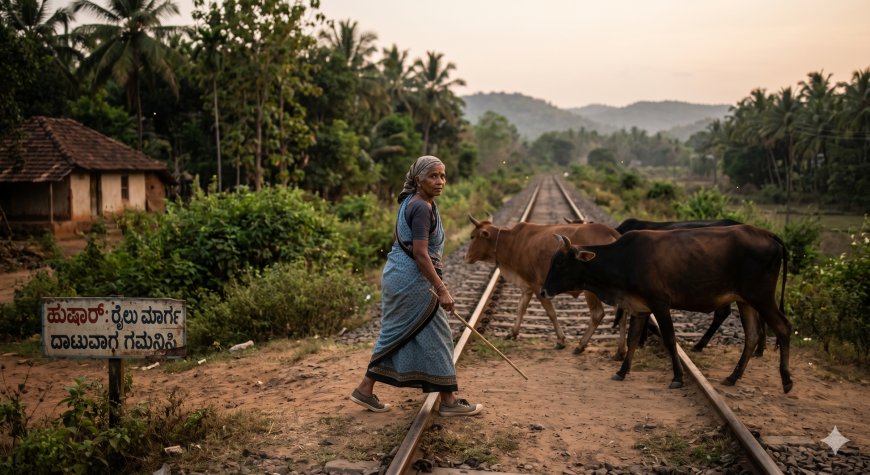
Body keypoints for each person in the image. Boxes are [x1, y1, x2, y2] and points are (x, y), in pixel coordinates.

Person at [350, 155, 483, 417]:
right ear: (418, 178)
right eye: (433, 176)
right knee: (438, 334)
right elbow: (421, 254)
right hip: (413, 281)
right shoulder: (421, 207)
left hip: (399, 276)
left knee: (399, 332)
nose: (440, 181)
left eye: (443, 176)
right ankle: (449, 402)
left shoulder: (411, 201)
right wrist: (442, 289)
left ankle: (365, 389)